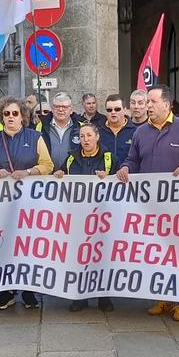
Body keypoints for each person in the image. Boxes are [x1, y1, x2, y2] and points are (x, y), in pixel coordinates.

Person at [117, 84, 179, 321]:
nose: (148, 106)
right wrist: (125, 167)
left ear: (167, 104)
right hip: (148, 206)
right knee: (156, 252)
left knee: (176, 253)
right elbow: (133, 159)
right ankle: (162, 296)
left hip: (176, 206)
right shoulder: (141, 132)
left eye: (152, 102)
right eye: (147, 102)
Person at [0, 96, 55, 311]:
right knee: (5, 246)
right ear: (1, 116)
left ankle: (28, 290)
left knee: (27, 246)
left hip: (30, 204)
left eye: (15, 114)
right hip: (1, 207)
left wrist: (28, 172)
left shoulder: (35, 137)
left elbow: (47, 165)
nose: (10, 117)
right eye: (7, 114)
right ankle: (6, 291)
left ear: (23, 116)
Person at [53, 123, 115, 312]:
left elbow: (120, 183)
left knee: (102, 255)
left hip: (102, 216)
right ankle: (80, 297)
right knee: (79, 257)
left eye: (89, 135)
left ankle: (104, 296)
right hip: (77, 216)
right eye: (82, 136)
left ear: (97, 137)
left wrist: (109, 176)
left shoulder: (109, 157)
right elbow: (62, 175)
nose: (85, 139)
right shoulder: (72, 158)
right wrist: (59, 174)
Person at [36, 92, 82, 171]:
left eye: (65, 107)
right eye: (57, 106)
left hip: (73, 177)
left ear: (71, 110)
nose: (60, 109)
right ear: (52, 109)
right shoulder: (40, 127)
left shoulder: (81, 127)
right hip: (47, 177)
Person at [98, 94, 137, 167]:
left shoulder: (136, 132)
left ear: (125, 110)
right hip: (104, 177)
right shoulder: (97, 133)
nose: (113, 112)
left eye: (117, 109)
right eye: (109, 110)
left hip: (129, 176)